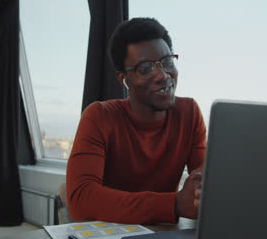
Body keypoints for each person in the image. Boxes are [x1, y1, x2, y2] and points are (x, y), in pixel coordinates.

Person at [66, 17, 206, 224]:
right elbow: (81, 200)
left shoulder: (189, 112)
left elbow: (202, 180)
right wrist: (174, 204)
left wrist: (200, 190)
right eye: (146, 68)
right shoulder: (99, 116)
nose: (163, 75)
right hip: (111, 230)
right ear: (124, 79)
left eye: (167, 62)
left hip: (161, 229)